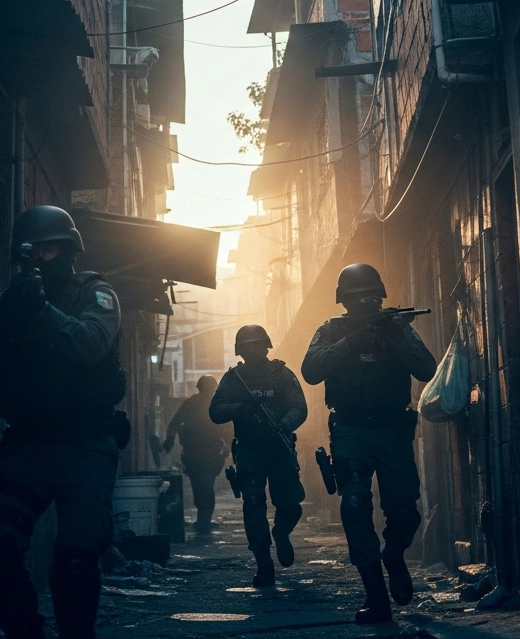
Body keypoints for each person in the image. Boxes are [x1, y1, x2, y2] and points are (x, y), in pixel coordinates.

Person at [0, 205, 124, 639]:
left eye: (48, 250)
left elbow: (91, 345)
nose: (37, 261)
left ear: (69, 252)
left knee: (75, 558)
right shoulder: (15, 298)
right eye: (29, 253)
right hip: (28, 448)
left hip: (85, 444)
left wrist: (43, 311)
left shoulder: (96, 294)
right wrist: (7, 312)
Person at [301, 263, 437, 625]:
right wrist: (348, 344)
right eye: (359, 300)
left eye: (373, 299)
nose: (368, 305)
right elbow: (311, 371)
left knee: (405, 510)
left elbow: (427, 369)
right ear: (345, 303)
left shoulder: (397, 329)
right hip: (350, 430)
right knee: (355, 504)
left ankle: (393, 556)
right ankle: (376, 596)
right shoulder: (332, 330)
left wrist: (395, 336)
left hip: (393, 430)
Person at [209, 324, 307, 588]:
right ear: (240, 351)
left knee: (290, 504)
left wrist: (284, 425)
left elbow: (300, 406)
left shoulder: (281, 374)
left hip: (278, 448)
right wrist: (241, 407)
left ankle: (281, 532)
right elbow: (216, 410)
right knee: (253, 503)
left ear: (266, 346)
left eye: (257, 345)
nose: (252, 350)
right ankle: (264, 565)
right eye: (247, 346)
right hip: (250, 450)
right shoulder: (234, 379)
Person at [163, 374, 232, 533]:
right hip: (197, 453)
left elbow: (227, 427)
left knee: (204, 486)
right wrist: (170, 438)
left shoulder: (211, 404)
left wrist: (227, 445)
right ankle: (203, 519)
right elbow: (175, 422)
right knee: (201, 487)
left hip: (205, 453)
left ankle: (204, 520)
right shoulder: (193, 404)